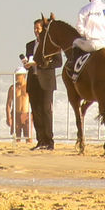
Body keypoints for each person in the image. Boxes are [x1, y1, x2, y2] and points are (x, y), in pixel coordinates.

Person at [24, 18, 62, 151]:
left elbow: (58, 62)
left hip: (46, 82)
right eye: (34, 28)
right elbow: (29, 62)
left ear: (44, 29)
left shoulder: (52, 45)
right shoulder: (30, 45)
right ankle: (40, 141)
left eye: (38, 28)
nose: (36, 31)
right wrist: (27, 65)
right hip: (33, 80)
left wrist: (41, 64)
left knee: (46, 111)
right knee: (36, 111)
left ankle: (49, 141)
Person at [6, 68, 31, 143]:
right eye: (16, 76)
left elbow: (35, 101)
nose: (16, 77)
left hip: (27, 114)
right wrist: (8, 117)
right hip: (16, 114)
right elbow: (8, 104)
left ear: (23, 76)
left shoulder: (29, 86)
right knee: (16, 138)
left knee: (29, 137)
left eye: (18, 76)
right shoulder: (13, 88)